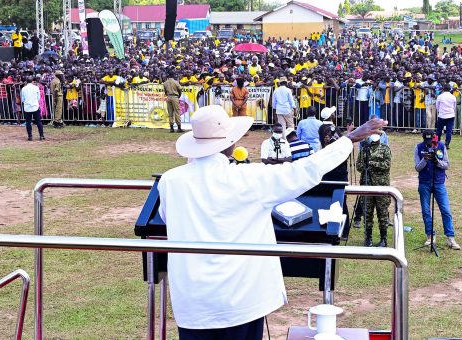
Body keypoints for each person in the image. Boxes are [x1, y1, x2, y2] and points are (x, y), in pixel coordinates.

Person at [156, 105, 385, 339]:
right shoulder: (248, 177)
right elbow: (304, 170)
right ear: (230, 144)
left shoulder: (170, 180)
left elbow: (166, 217)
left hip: (193, 302)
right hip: (240, 301)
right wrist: (349, 139)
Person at [415, 130, 460, 250]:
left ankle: (450, 238)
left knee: (445, 210)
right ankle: (430, 236)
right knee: (426, 211)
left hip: (439, 182)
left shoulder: (441, 146)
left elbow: (447, 165)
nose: (429, 143)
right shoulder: (418, 147)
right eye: (426, 141)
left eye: (431, 141)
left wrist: (437, 162)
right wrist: (424, 160)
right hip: (424, 183)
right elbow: (417, 168)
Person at [356, 132, 392, 247]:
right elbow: (359, 166)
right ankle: (368, 238)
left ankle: (383, 239)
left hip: (381, 186)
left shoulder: (385, 149)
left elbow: (387, 165)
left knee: (382, 214)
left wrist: (371, 163)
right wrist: (365, 165)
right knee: (367, 213)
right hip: (367, 185)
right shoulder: (364, 150)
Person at [21, 76, 44, 141]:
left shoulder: (23, 89)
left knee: (28, 122)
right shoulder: (36, 88)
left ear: (26, 81)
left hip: (27, 107)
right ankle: (41, 136)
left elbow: (22, 99)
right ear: (32, 81)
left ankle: (30, 136)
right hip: (35, 106)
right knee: (38, 122)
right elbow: (38, 98)